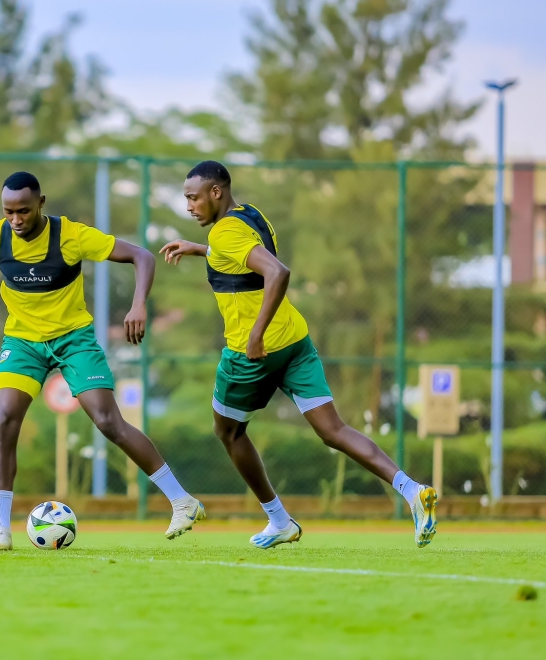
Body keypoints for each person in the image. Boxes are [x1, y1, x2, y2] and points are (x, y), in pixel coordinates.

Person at [160, 160, 437, 549]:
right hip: (294, 341)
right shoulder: (249, 215)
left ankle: (279, 520)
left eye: (193, 197)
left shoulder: (225, 234)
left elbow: (277, 272)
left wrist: (256, 334)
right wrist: (201, 249)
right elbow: (244, 259)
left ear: (215, 193)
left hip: (252, 352)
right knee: (333, 430)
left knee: (228, 431)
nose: (188, 206)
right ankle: (412, 490)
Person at [0, 171, 204, 551]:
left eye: (24, 211)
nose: (16, 220)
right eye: (9, 212)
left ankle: (183, 501)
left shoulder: (72, 236)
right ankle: (0, 531)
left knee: (109, 421)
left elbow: (142, 257)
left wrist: (138, 305)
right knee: (4, 419)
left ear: (41, 204)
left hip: (74, 338)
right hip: (23, 342)